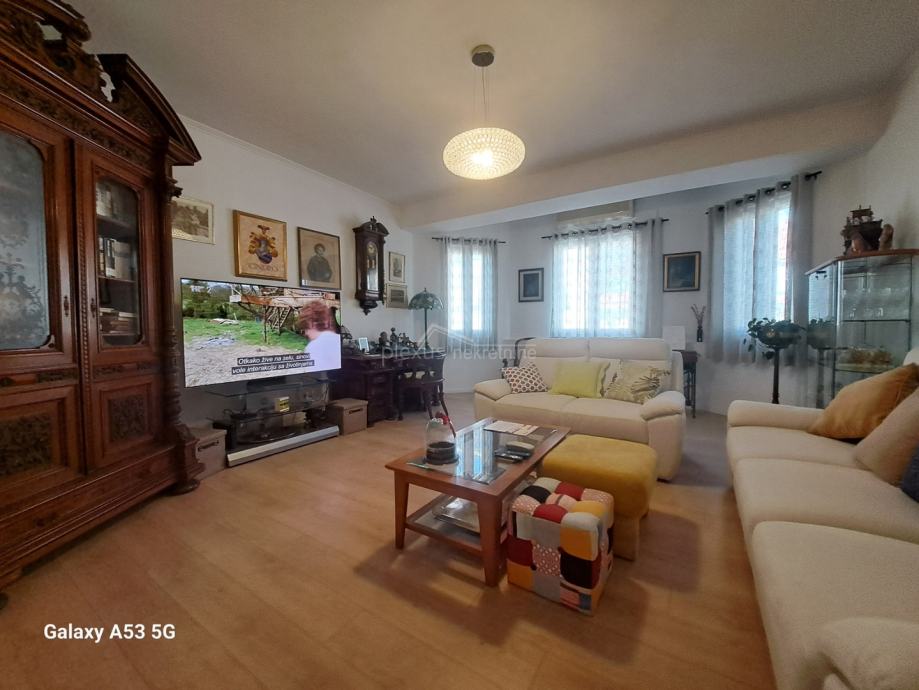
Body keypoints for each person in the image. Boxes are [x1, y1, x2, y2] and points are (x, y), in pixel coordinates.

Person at [298, 300, 340, 369]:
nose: (306, 333)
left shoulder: (313, 347)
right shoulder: (339, 340)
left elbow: (317, 375)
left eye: (305, 328)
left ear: (311, 323)